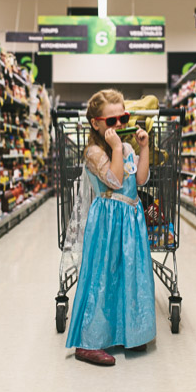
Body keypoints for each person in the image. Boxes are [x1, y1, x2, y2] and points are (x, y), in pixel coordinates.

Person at [65, 89, 156, 366]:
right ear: (96, 123)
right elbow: (115, 181)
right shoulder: (94, 152)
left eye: (124, 118)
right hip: (106, 221)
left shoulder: (127, 148)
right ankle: (88, 342)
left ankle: (128, 331)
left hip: (130, 220)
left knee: (130, 273)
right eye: (112, 121)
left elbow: (140, 180)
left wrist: (142, 148)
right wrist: (116, 148)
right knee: (102, 275)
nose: (119, 126)